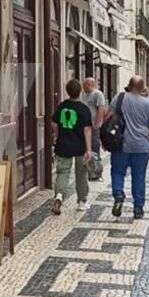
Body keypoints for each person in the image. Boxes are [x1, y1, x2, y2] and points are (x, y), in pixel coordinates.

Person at [108, 75, 149, 220]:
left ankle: (119, 194)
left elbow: (108, 118)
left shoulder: (118, 99)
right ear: (142, 88)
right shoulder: (148, 104)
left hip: (120, 144)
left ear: (129, 85)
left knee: (118, 172)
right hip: (141, 147)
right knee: (139, 177)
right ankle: (138, 208)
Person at [50, 78, 92, 215]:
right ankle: (81, 202)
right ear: (80, 91)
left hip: (63, 144)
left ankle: (59, 196)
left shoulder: (62, 106)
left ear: (67, 91)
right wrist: (89, 149)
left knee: (62, 172)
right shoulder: (84, 109)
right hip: (80, 146)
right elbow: (87, 130)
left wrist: (58, 135)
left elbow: (54, 123)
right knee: (81, 174)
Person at [80, 77, 109, 181]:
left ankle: (97, 173)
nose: (83, 87)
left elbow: (101, 109)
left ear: (90, 84)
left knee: (95, 149)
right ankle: (88, 171)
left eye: (85, 85)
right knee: (86, 149)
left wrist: (97, 123)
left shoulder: (97, 94)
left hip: (93, 126)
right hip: (84, 126)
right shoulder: (83, 94)